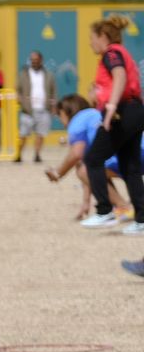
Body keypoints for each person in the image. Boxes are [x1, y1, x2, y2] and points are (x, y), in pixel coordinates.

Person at [79, 15, 144, 234]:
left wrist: (111, 108)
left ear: (103, 37)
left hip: (122, 112)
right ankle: (142, 220)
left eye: (92, 38)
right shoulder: (121, 52)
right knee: (130, 166)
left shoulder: (111, 54)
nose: (90, 42)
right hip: (135, 110)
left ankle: (104, 210)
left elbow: (120, 76)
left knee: (93, 158)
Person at [44, 94, 134, 221]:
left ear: (65, 111)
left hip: (127, 160)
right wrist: (86, 203)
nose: (59, 119)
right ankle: (121, 207)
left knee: (84, 170)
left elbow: (77, 155)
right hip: (133, 154)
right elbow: (90, 170)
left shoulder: (77, 121)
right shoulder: (94, 114)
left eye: (59, 114)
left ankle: (123, 207)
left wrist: (58, 173)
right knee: (90, 168)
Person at [16, 50, 56, 164]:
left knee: (40, 133)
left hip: (44, 109)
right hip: (28, 109)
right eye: (32, 60)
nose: (34, 62)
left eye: (36, 60)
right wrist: (21, 100)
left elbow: (53, 91)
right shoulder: (23, 74)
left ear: (41, 60)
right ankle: (18, 155)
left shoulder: (48, 74)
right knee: (23, 134)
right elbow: (18, 89)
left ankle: (37, 154)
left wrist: (53, 106)